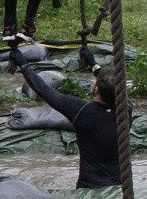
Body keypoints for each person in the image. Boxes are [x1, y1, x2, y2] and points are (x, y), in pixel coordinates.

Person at [11, 46, 129, 188]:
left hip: (88, 189)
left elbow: (44, 90)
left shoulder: (82, 111)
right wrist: (93, 64)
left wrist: (23, 64)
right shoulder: (127, 110)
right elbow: (111, 83)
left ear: (96, 89)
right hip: (117, 189)